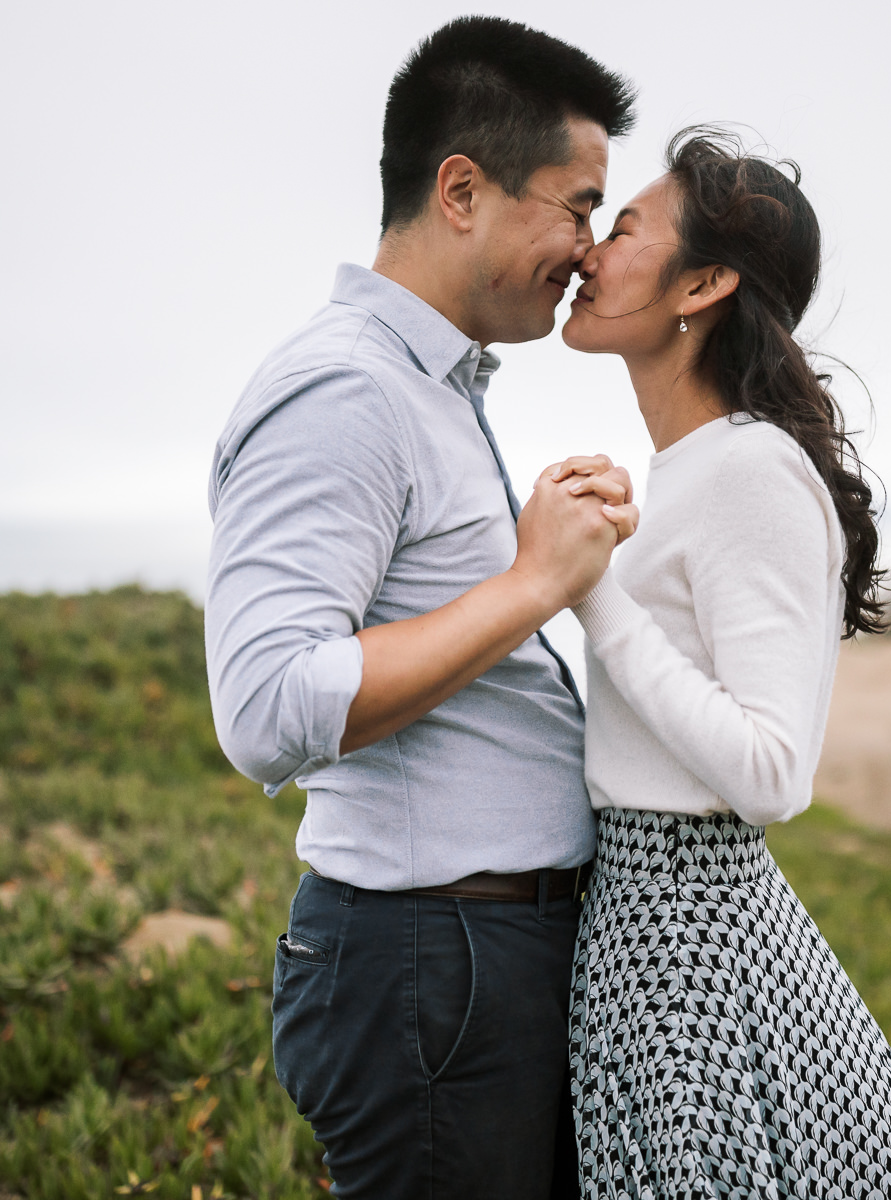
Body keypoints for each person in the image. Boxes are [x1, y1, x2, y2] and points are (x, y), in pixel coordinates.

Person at [203, 17, 640, 1200]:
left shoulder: (429, 387)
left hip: (472, 957)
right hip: (427, 961)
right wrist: (529, 586)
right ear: (461, 190)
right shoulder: (346, 390)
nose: (589, 250)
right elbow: (263, 705)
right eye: (577, 205)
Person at [558, 129, 891, 1198]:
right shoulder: (691, 470)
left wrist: (592, 593)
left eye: (623, 229)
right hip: (648, 926)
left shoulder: (749, 471)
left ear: (701, 283)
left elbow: (772, 772)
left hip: (698, 943)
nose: (588, 254)